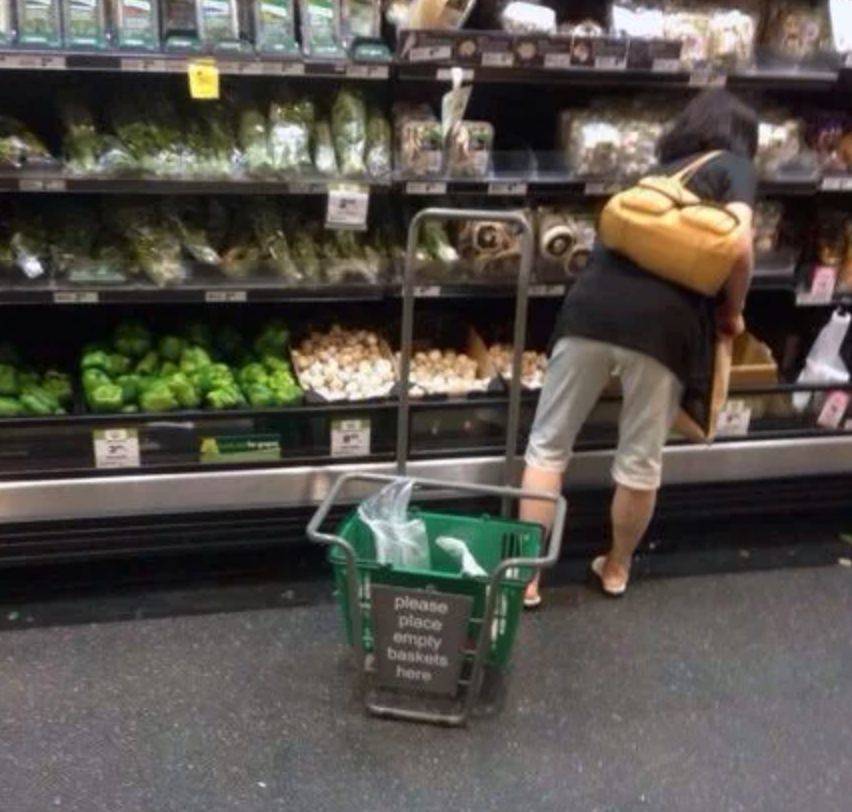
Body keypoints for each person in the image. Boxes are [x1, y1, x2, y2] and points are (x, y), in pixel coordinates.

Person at [521, 89, 758, 604]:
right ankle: (615, 567)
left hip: (590, 307)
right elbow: (740, 244)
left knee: (548, 445)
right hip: (664, 327)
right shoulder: (734, 167)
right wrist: (733, 311)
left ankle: (529, 576)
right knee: (639, 460)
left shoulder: (656, 173)